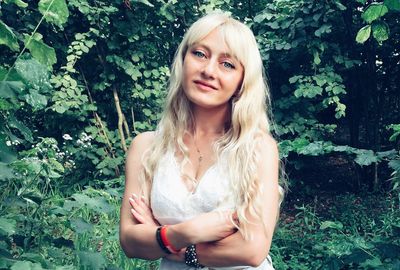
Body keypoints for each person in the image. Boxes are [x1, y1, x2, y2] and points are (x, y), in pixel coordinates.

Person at [119, 11, 284, 270]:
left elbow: (251, 250)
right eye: (200, 54)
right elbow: (130, 241)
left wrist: (161, 237)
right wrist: (184, 233)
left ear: (242, 81)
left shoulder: (258, 148)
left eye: (227, 64)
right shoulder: (146, 147)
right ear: (183, 59)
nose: (208, 70)